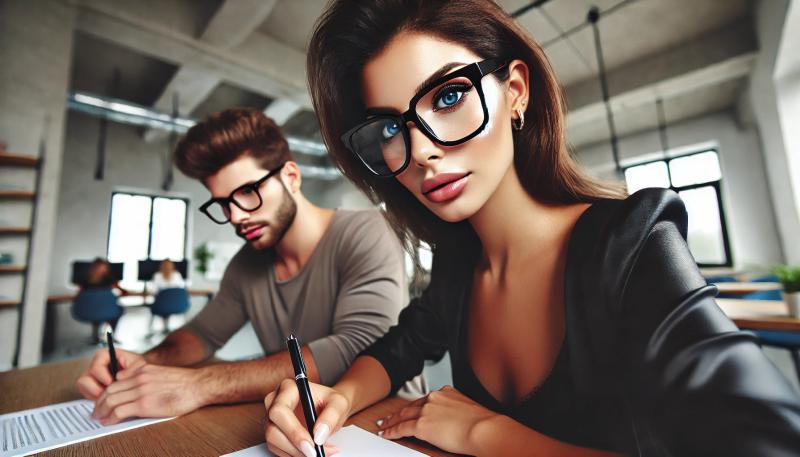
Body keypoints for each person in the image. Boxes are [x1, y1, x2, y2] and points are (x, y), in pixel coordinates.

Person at [263, 1, 800, 456]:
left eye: (447, 97)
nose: (421, 150)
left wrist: (487, 433)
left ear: (516, 90)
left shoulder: (631, 243)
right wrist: (337, 398)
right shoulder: (457, 266)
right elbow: (398, 349)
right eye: (389, 127)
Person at [75, 108, 410, 430]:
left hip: (384, 420)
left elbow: (361, 345)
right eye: (223, 203)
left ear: (290, 177)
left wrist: (200, 385)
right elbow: (203, 335)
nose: (235, 216)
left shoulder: (366, 231)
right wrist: (144, 363)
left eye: (248, 192)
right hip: (293, 423)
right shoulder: (246, 263)